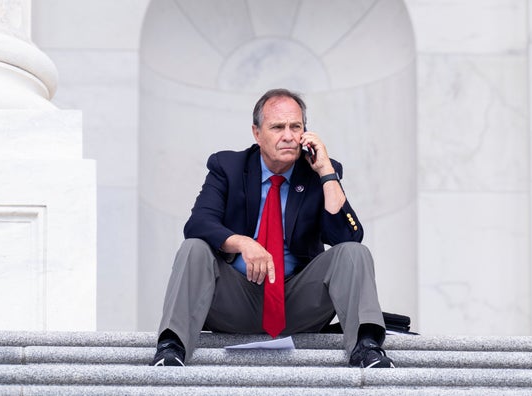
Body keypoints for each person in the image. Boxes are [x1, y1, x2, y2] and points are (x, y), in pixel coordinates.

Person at [150, 88, 394, 368]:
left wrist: (326, 172)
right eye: (278, 127)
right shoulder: (228, 166)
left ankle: (366, 348)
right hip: (235, 300)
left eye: (296, 127)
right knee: (193, 248)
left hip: (298, 302)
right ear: (257, 133)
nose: (288, 136)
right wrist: (242, 243)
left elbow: (348, 237)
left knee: (354, 253)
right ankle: (171, 347)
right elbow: (198, 223)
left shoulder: (317, 171)